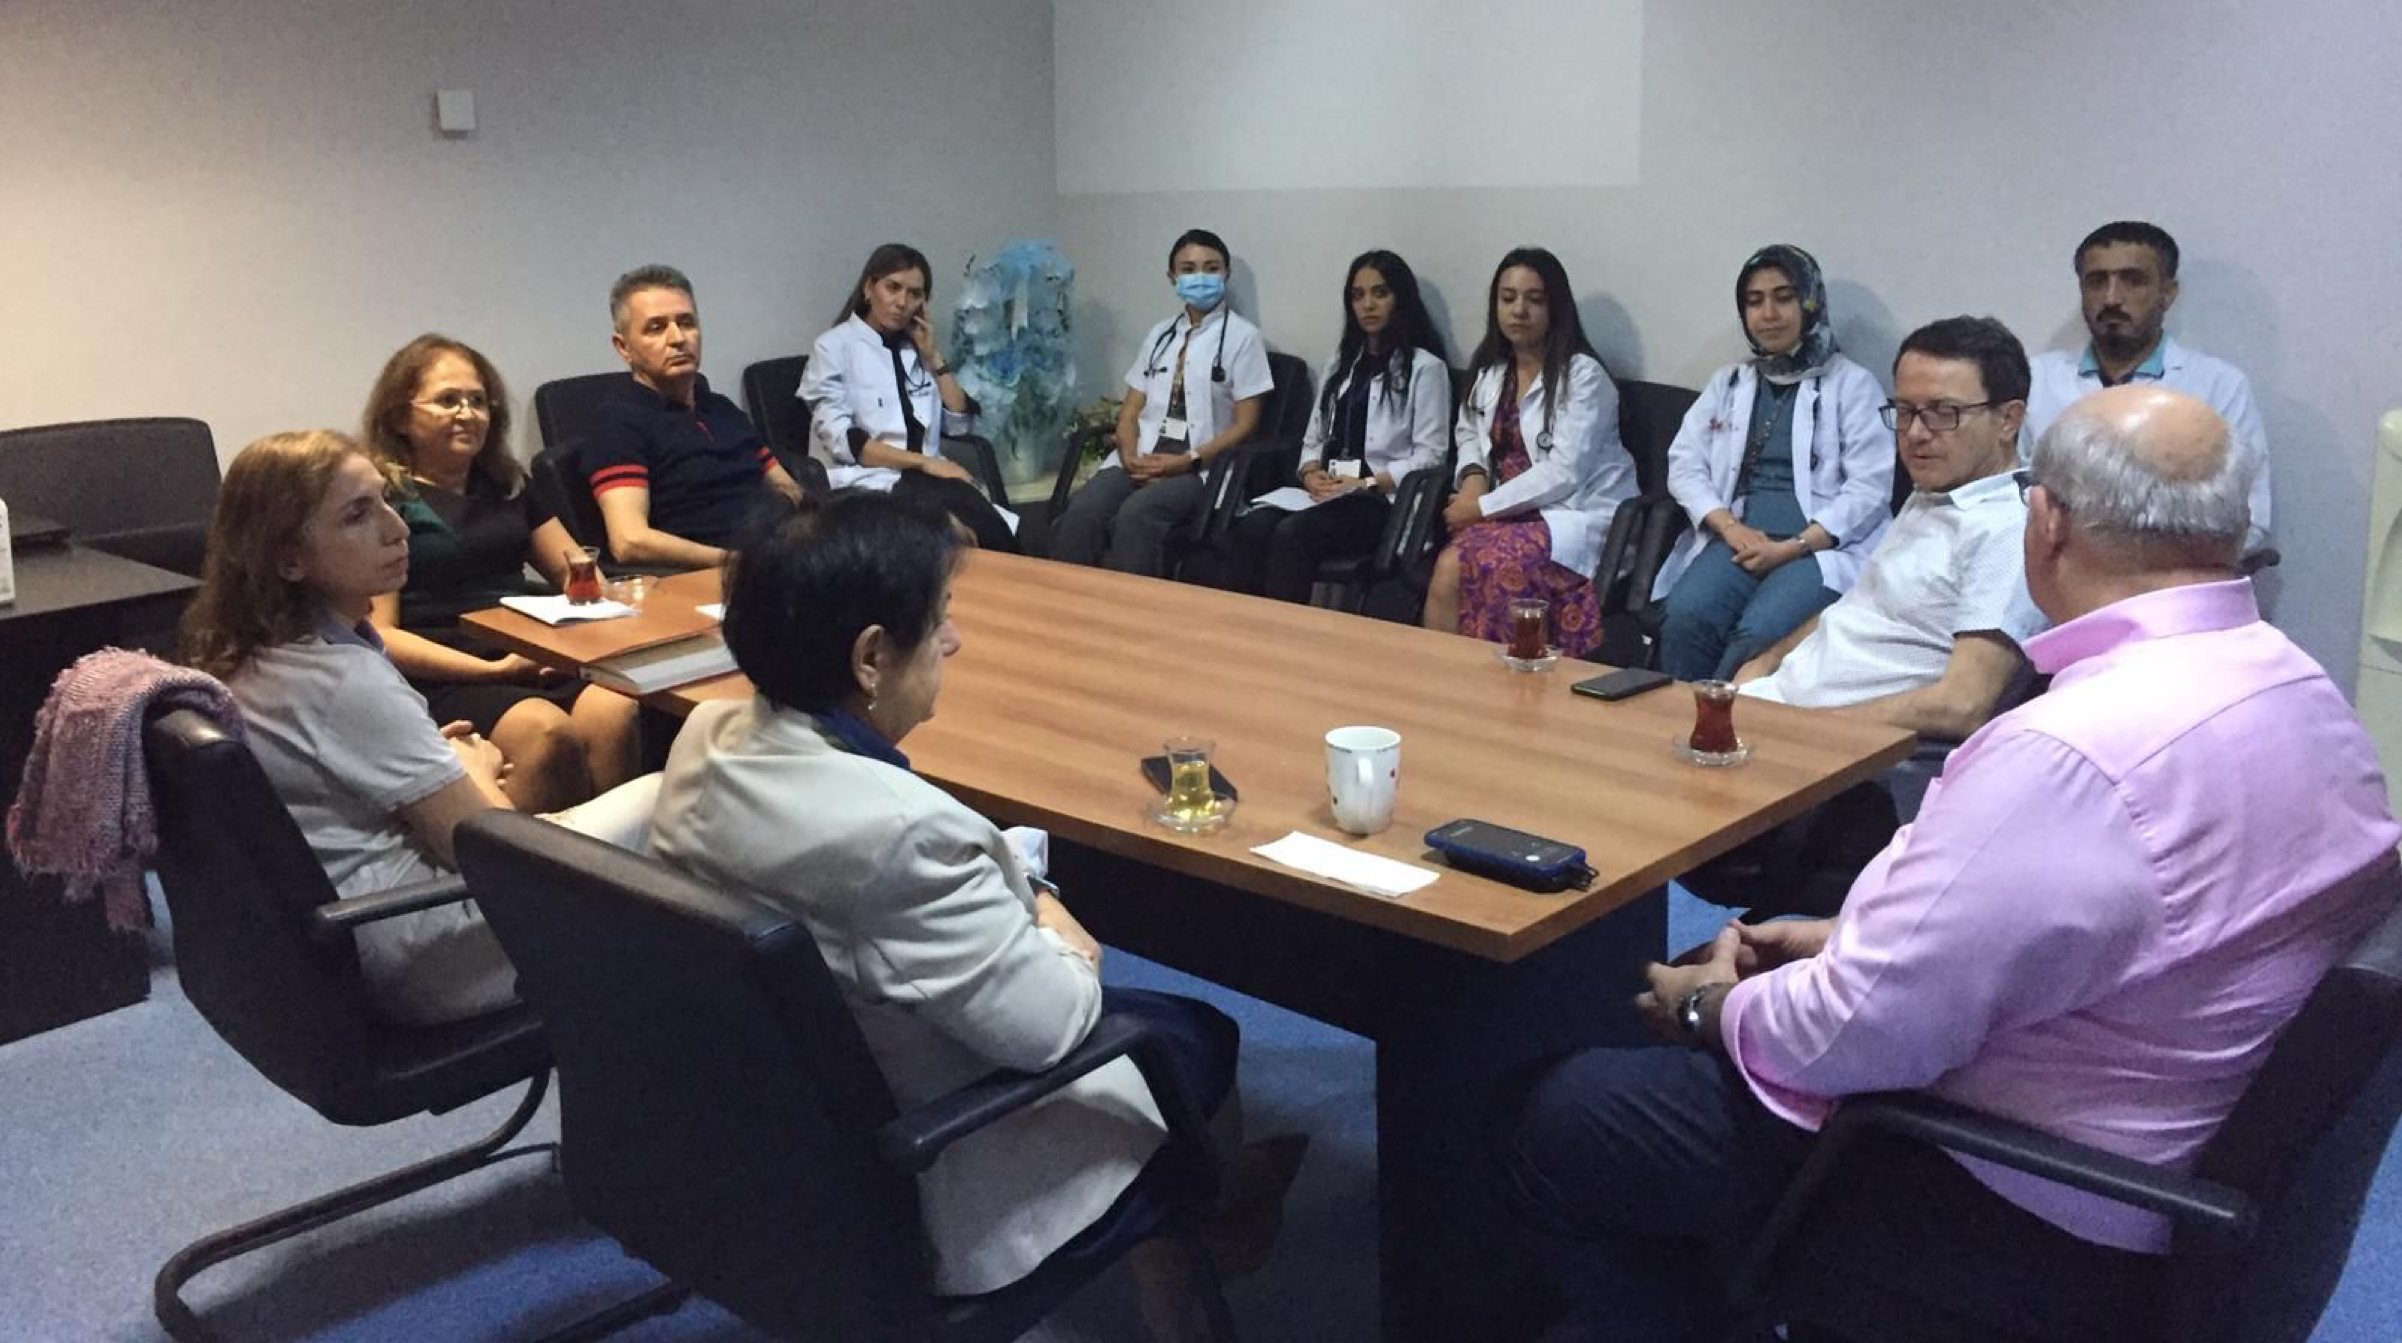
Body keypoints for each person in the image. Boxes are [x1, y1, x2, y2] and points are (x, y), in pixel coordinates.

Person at [1500, 385, 2399, 1343]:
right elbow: (2121, 922)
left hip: (2019, 1198)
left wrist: (1709, 1007)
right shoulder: (2298, 688)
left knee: (1555, 1112)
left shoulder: (2072, 751)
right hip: (2176, 1169)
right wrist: (1846, 938)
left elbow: (1844, 1036)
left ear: (2046, 523)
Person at [647, 491, 1285, 1320]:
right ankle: (1208, 1227)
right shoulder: (903, 834)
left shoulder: (704, 736)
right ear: (872, 656)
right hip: (929, 1166)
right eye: (938, 618)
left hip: (775, 1143)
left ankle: (1208, 1212)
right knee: (1196, 1034)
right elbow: (1056, 1025)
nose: (954, 639)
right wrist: (1052, 913)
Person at [180, 431, 659, 1026]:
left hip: (358, 928)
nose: (397, 528)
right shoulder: (342, 680)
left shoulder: (254, 653)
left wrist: (441, 764)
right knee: (671, 795)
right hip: (424, 947)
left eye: (386, 501)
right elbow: (495, 855)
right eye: (357, 515)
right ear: (288, 558)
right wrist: (474, 770)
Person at [1685, 316, 2048, 918]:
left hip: (1832, 770)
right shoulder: (1935, 494)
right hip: (1778, 718)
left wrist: (1813, 727)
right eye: (1904, 411)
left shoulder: (2007, 530)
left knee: (1618, 818)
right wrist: (1766, 661)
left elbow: (1964, 704)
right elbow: (1862, 609)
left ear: (2008, 419)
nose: (1916, 434)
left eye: (1944, 413)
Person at [359, 334, 643, 813]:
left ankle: (609, 851)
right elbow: (381, 634)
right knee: (547, 732)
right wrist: (492, 670)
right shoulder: (386, 498)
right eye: (448, 400)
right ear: (400, 416)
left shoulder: (508, 485)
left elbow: (579, 574)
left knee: (616, 708)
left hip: (525, 651)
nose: (467, 414)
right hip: (441, 669)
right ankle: (527, 858)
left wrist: (585, 624)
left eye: (477, 401)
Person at [1651, 246, 1893, 680]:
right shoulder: (1729, 382)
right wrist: (1730, 528)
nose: (1768, 314)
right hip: (1739, 539)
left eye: (1784, 297)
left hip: (1819, 548)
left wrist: (1793, 546)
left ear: (1810, 303)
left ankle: (1723, 716)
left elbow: (1869, 489)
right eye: (1754, 301)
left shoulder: (1853, 385)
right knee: (1687, 616)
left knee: (1759, 634)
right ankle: (1678, 715)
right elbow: (1685, 464)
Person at [1422, 247, 1636, 657]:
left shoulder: (1583, 376)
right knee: (1450, 565)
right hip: (1507, 512)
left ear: (1556, 308)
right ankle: (1443, 680)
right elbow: (1469, 433)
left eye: (1534, 299)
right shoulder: (1492, 372)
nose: (1518, 310)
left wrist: (1481, 508)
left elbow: (1564, 472)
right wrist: (1473, 480)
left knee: (1491, 566)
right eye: (1508, 298)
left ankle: (1504, 683)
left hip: (1571, 513)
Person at [2022, 220, 2271, 555]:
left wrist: (2143, 569)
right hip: (2058, 571)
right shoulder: (2037, 380)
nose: (2111, 298)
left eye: (2133, 280)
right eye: (2096, 281)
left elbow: (2249, 518)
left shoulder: (2217, 386)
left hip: (2174, 574)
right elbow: (2013, 498)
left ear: (2167, 293)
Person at [1226, 249, 1450, 603]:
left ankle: (1288, 632)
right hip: (1327, 492)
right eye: (1358, 296)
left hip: (1380, 501)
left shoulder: (1426, 369)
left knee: (1292, 535)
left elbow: (1430, 457)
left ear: (1401, 299)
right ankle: (1247, 629)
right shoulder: (1341, 363)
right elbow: (1313, 437)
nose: (1368, 305)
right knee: (1251, 527)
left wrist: (1364, 483)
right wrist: (1309, 473)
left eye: (1380, 293)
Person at [1050, 229, 1274, 576]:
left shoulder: (1243, 338)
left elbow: (1246, 425)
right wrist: (1130, 456)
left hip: (1199, 469)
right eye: (1188, 269)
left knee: (1136, 515)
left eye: (1211, 268)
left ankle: (1132, 608)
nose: (1200, 277)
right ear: (1172, 277)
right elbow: (1130, 411)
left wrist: (1186, 461)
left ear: (1226, 274)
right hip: (1141, 458)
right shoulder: (1160, 335)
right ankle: (1069, 603)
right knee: (1081, 512)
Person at [798, 242, 1021, 552]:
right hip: (868, 483)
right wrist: (925, 464)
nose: (902, 302)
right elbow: (845, 442)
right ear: (869, 288)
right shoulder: (833, 348)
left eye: (915, 293)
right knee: (964, 534)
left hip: (927, 480)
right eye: (893, 287)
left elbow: (960, 425)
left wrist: (934, 358)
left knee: (992, 530)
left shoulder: (915, 351)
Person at [584, 264, 808, 568]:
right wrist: (738, 563)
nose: (677, 338)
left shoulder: (722, 409)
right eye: (656, 327)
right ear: (624, 348)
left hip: (778, 557)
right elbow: (629, 540)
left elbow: (787, 488)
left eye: (686, 322)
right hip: (706, 575)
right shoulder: (619, 422)